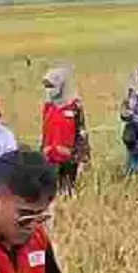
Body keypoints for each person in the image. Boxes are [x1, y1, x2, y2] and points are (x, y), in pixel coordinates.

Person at [40, 66, 89, 195]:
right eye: (47, 87)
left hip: (69, 159)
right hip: (50, 158)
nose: (49, 90)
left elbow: (81, 133)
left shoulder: (74, 106)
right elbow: (45, 134)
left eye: (52, 86)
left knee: (67, 192)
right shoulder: (48, 107)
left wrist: (82, 158)